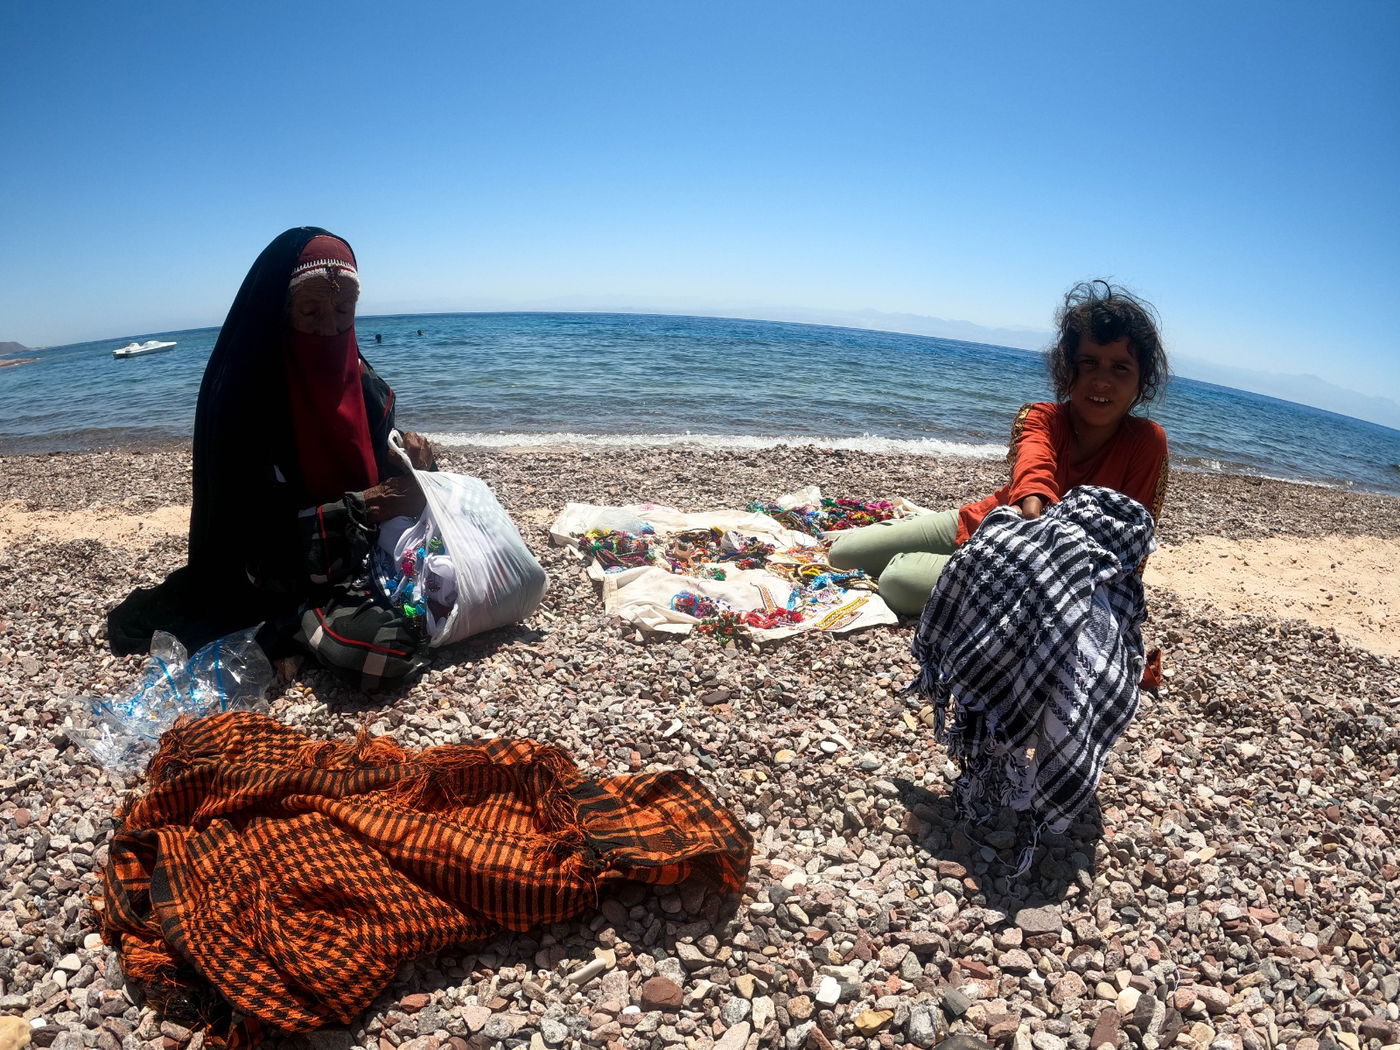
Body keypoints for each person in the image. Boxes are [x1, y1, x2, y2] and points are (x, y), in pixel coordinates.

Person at [108, 227, 438, 684]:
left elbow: (384, 463)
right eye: (311, 311)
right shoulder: (247, 401)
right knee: (386, 651)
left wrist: (413, 462)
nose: (330, 328)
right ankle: (298, 629)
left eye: (344, 311)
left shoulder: (367, 385)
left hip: (375, 553)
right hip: (283, 574)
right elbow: (251, 543)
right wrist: (366, 507)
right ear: (280, 314)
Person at [829, 280, 1170, 615]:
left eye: (1120, 367)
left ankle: (935, 566)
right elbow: (1035, 467)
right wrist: (1031, 508)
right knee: (843, 553)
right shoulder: (1044, 416)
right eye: (1089, 362)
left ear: (1141, 379)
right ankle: (934, 550)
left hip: (1044, 576)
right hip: (990, 520)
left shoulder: (1146, 441)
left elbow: (1132, 535)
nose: (1102, 380)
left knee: (899, 580)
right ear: (1068, 368)